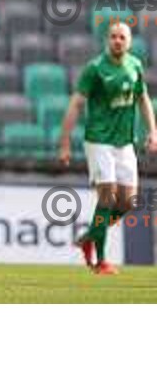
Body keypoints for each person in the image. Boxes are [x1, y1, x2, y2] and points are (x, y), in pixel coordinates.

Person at [60, 22, 157, 274]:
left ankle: (89, 237)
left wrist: (153, 131)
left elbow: (143, 100)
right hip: (99, 141)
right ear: (107, 40)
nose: (117, 41)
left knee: (127, 202)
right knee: (107, 196)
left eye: (122, 37)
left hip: (125, 143)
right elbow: (76, 104)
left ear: (130, 41)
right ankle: (100, 260)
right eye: (113, 37)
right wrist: (65, 143)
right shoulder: (95, 69)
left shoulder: (134, 65)